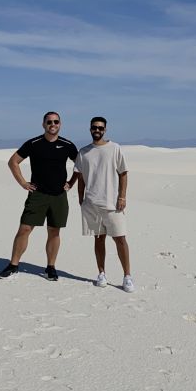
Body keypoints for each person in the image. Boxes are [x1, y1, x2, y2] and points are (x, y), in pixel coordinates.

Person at [0, 112, 78, 281]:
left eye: (56, 121)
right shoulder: (33, 144)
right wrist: (23, 183)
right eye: (49, 122)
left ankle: (50, 267)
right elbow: (13, 162)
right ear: (43, 124)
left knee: (54, 232)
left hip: (59, 196)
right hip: (38, 195)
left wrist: (71, 182)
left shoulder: (67, 145)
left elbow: (81, 166)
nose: (52, 124)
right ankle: (13, 265)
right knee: (24, 229)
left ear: (60, 124)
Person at [74, 117, 134, 292]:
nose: (97, 130)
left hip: (112, 203)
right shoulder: (83, 152)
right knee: (98, 239)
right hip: (91, 203)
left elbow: (123, 173)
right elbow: (80, 177)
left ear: (105, 129)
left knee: (120, 239)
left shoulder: (114, 148)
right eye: (94, 127)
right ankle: (101, 273)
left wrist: (122, 197)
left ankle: (127, 276)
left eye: (100, 127)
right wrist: (80, 198)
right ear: (90, 129)